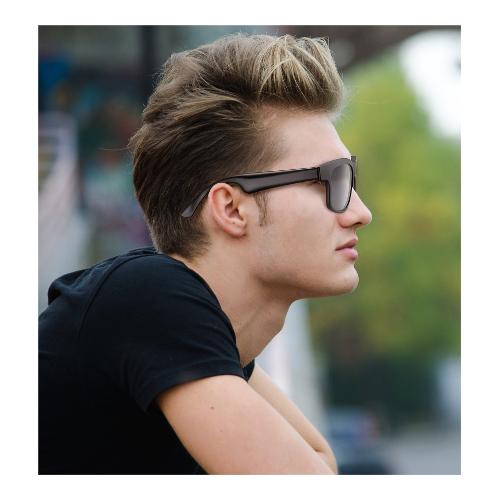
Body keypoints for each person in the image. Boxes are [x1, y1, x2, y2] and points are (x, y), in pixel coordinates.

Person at [38, 33, 372, 475]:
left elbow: (321, 466)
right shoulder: (148, 297)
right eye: (330, 180)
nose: (360, 213)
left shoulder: (198, 342)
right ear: (231, 208)